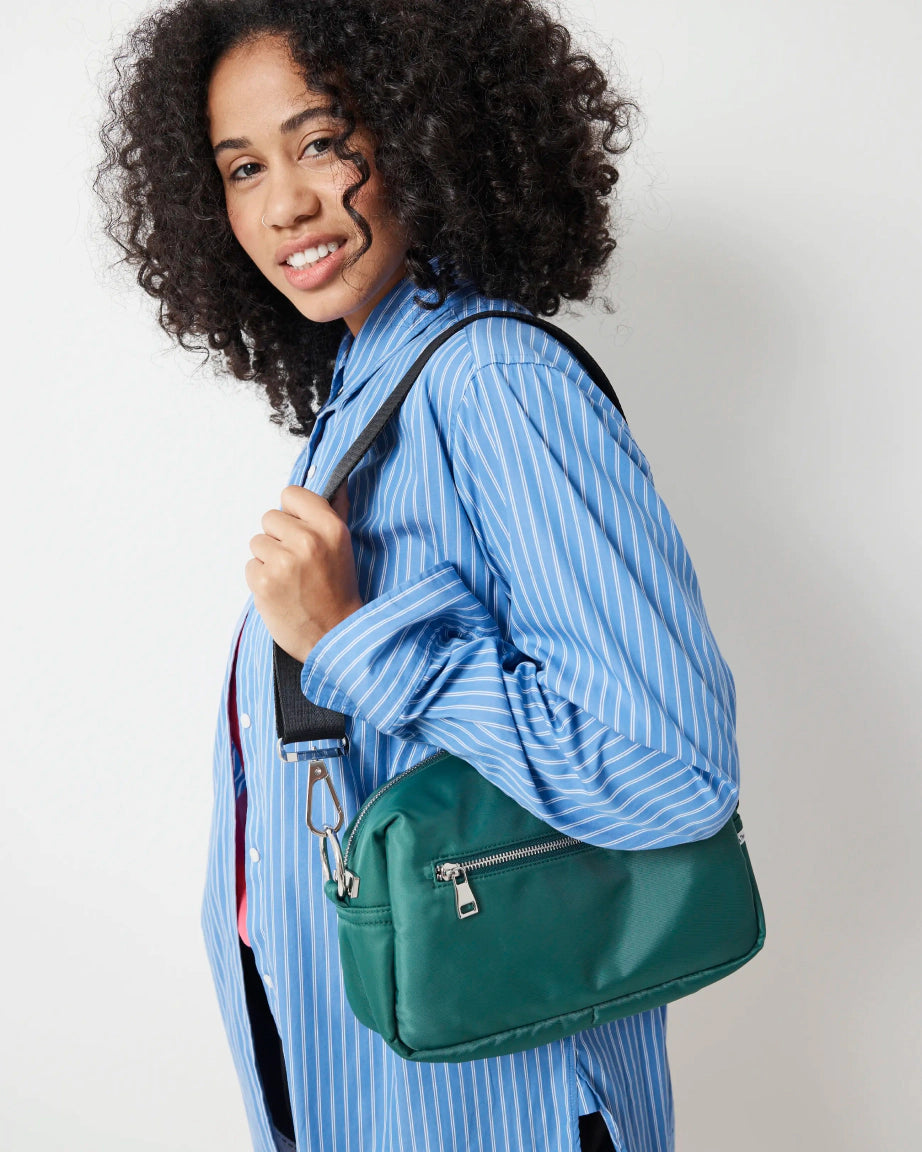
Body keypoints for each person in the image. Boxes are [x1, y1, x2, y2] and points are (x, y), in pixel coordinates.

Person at [94, 2, 741, 1150]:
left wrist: (357, 637)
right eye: (242, 166)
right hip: (373, 1090)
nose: (284, 200)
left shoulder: (488, 379)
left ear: (429, 130)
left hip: (503, 1106)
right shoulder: (367, 396)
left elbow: (668, 773)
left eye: (324, 140)